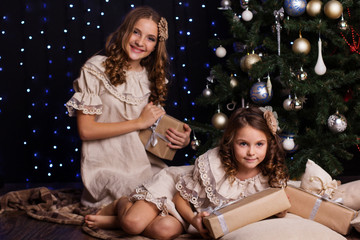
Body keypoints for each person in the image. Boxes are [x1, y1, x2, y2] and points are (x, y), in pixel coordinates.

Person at [84, 106, 289, 239]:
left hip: (190, 213)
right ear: (231, 142)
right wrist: (194, 221)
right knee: (132, 224)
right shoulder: (215, 165)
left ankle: (122, 221)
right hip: (175, 193)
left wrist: (277, 210)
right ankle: (123, 203)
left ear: (268, 144)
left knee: (164, 231)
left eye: (259, 144)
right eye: (243, 144)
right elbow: (179, 198)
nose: (252, 152)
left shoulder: (268, 175)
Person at [65, 6, 191, 207]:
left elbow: (151, 134)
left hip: (144, 165)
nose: (140, 42)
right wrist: (138, 122)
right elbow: (86, 131)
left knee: (184, 189)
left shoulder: (152, 79)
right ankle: (111, 215)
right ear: (125, 31)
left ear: (155, 45)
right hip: (108, 170)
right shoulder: (96, 68)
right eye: (136, 32)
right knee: (153, 203)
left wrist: (180, 140)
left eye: (150, 38)